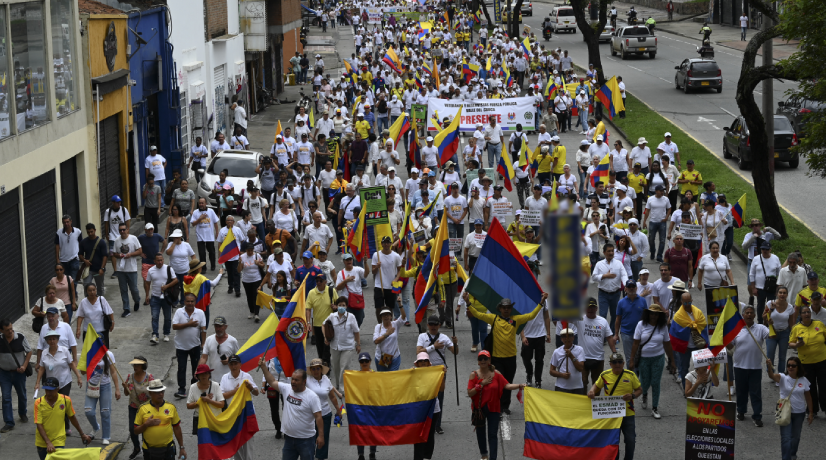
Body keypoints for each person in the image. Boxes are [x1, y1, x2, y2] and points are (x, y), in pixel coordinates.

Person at [468, 294, 548, 415]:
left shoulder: (515, 319)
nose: (506, 309)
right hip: (497, 359)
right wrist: (468, 303)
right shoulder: (493, 318)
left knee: (508, 382)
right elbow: (479, 315)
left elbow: (531, 315)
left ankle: (505, 406)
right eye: (504, 307)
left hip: (511, 358)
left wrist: (541, 302)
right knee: (498, 383)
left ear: (511, 309)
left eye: (508, 307)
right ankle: (497, 405)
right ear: (500, 308)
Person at [467, 350, 526, 460]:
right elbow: (470, 392)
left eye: (485, 358)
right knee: (480, 433)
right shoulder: (474, 375)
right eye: (481, 358)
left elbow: (507, 385)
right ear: (478, 362)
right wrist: (481, 385)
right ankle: (484, 455)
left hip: (494, 409)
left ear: (489, 360)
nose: (483, 360)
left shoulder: (497, 374)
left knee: (492, 435)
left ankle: (493, 458)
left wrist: (519, 385)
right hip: (479, 409)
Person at [259, 364, 324, 460]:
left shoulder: (312, 397)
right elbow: (272, 381)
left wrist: (321, 436)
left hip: (306, 440)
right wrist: (264, 367)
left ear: (304, 382)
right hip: (289, 439)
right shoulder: (287, 388)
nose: (293, 382)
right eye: (292, 379)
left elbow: (318, 417)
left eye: (296, 380)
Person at [588, 352, 641, 460]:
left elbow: (639, 390)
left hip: (628, 413)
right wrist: (592, 391)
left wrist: (632, 396)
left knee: (630, 440)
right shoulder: (604, 375)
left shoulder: (631, 375)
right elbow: (596, 385)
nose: (617, 364)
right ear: (610, 364)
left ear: (623, 363)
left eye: (620, 362)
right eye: (614, 362)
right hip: (611, 414)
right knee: (613, 440)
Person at [630, 304, 675, 419]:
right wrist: (631, 359)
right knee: (644, 382)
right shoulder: (641, 325)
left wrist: (672, 360)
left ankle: (655, 408)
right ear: (648, 314)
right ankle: (644, 395)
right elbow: (635, 343)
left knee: (655, 382)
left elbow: (667, 344)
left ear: (659, 315)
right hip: (644, 358)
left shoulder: (663, 326)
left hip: (658, 358)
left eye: (656, 314)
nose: (653, 316)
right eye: (651, 313)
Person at [727, 304, 770, 426]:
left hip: (755, 367)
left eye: (752, 313)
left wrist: (769, 322)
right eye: (747, 313)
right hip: (739, 366)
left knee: (755, 393)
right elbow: (731, 346)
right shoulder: (736, 329)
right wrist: (724, 340)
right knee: (741, 391)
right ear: (743, 315)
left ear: (755, 315)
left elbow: (771, 335)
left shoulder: (761, 328)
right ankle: (741, 411)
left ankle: (757, 416)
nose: (749, 315)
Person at [417, 314, 457, 434]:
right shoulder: (422, 336)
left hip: (440, 372)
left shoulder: (444, 338)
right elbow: (418, 352)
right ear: (428, 325)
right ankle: (425, 422)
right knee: (425, 397)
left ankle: (437, 424)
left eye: (435, 324)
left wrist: (455, 343)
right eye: (431, 324)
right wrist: (433, 347)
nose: (433, 327)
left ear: (439, 325)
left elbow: (455, 352)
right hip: (425, 371)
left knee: (439, 398)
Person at [766, 356, 813, 460]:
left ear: (798, 367)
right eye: (788, 365)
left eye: (793, 365)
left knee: (795, 438)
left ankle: (792, 455)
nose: (790, 367)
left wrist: (810, 412)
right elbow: (771, 376)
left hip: (799, 413)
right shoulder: (782, 377)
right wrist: (769, 367)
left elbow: (808, 397)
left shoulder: (804, 380)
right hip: (784, 412)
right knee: (786, 438)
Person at [34, 376, 92, 460]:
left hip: (59, 440)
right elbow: (39, 424)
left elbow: (72, 417)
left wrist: (82, 434)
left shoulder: (65, 400)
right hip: (42, 442)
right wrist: (48, 442)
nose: (48, 393)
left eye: (51, 390)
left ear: (58, 389)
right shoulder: (38, 403)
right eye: (46, 390)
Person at [134, 379, 187, 460]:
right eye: (157, 392)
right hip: (149, 450)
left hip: (168, 449)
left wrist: (182, 447)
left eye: (162, 391)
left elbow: (177, 428)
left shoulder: (171, 407)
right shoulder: (142, 409)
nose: (161, 394)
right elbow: (136, 431)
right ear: (150, 393)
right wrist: (146, 424)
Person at [788, 306, 826, 417]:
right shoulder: (796, 328)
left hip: (822, 360)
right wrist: (797, 345)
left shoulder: (819, 324)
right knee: (810, 387)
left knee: (824, 385)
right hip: (806, 362)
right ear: (800, 315)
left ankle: (825, 407)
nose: (806, 314)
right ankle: (813, 410)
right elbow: (790, 343)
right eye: (804, 312)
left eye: (808, 312)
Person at [172, 293, 207, 399]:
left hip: (195, 346)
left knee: (196, 368)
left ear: (195, 302)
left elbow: (203, 329)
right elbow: (174, 326)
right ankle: (181, 388)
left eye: (192, 301)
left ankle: (195, 386)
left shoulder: (200, 313)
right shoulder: (179, 312)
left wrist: (203, 343)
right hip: (181, 346)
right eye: (188, 301)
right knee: (181, 367)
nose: (190, 303)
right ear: (184, 301)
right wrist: (188, 324)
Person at [0, 319, 32, 433]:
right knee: (6, 397)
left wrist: (24, 365)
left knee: (22, 394)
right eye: (7, 330)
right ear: (1, 330)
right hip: (4, 373)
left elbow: (29, 351)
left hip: (19, 373)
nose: (10, 332)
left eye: (11, 329)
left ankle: (22, 413)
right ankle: (9, 422)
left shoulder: (21, 337)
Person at [84, 348, 120, 444]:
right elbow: (83, 372)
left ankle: (106, 436)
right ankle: (96, 427)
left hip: (105, 386)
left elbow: (113, 372)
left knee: (105, 411)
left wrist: (117, 388)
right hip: (92, 385)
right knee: (88, 411)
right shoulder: (89, 353)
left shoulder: (109, 354)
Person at [324, 297, 360, 391]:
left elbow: (356, 331)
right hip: (335, 346)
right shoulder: (332, 316)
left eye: (343, 305)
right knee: (336, 367)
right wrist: (325, 337)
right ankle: (337, 385)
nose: (341, 307)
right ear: (336, 306)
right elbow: (323, 325)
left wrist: (358, 344)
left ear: (346, 306)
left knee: (344, 366)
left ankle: (342, 388)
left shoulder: (351, 317)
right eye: (339, 305)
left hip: (348, 346)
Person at [306, 359, 340, 460]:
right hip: (311, 415)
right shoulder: (306, 380)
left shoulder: (326, 379)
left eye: (318, 368)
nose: (316, 371)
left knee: (323, 438)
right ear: (311, 370)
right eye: (313, 369)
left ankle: (321, 458)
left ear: (321, 369)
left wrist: (338, 410)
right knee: (310, 438)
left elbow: (332, 396)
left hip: (325, 414)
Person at [122, 356, 153, 459]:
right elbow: (126, 393)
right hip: (133, 407)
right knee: (132, 428)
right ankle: (136, 447)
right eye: (134, 365)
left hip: (146, 408)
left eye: (137, 365)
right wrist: (125, 387)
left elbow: (154, 392)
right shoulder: (130, 377)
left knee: (145, 430)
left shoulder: (149, 377)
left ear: (143, 365)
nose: (135, 367)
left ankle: (146, 449)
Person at [591, 243, 629, 324]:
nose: (611, 253)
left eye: (612, 251)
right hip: (603, 294)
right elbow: (593, 277)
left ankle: (612, 334)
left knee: (615, 315)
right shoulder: (599, 264)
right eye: (609, 251)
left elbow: (624, 275)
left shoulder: (618, 263)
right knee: (603, 315)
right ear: (604, 252)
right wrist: (605, 276)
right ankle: (603, 335)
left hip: (616, 294)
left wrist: (626, 285)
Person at [615, 280, 647, 372]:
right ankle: (632, 378)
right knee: (630, 358)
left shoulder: (643, 301)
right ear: (625, 289)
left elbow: (646, 317)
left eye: (633, 287)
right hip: (626, 333)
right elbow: (618, 319)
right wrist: (616, 334)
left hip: (641, 333)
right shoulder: (621, 302)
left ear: (636, 288)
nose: (631, 288)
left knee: (640, 356)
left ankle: (639, 378)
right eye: (629, 287)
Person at [412, 352, 439, 460]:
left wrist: (442, 374)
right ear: (417, 364)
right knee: (417, 434)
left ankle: (427, 457)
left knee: (429, 433)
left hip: (433, 409)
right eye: (420, 361)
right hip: (418, 409)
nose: (423, 363)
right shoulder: (412, 374)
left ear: (428, 363)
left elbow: (441, 389)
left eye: (425, 361)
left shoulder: (435, 374)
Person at [112, 222, 142, 317]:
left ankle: (137, 300)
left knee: (134, 289)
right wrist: (119, 255)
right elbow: (114, 253)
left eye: (123, 229)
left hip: (132, 268)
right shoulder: (117, 240)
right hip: (121, 269)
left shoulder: (133, 238)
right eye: (120, 230)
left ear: (127, 229)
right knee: (123, 289)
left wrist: (130, 255)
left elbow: (140, 250)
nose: (122, 231)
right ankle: (126, 308)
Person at [764, 286, 795, 378]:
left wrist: (793, 336)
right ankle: (771, 373)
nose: (782, 294)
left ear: (787, 294)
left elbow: (791, 323)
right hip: (772, 333)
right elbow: (764, 318)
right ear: (776, 294)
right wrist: (771, 310)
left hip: (784, 333)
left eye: (784, 293)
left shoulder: (790, 307)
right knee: (770, 355)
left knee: (782, 356)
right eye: (780, 292)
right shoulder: (770, 303)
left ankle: (781, 376)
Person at [185, 364, 224, 436]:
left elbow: (222, 404)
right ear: (198, 376)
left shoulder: (215, 385)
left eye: (206, 373)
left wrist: (209, 400)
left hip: (215, 419)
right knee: (203, 444)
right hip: (200, 420)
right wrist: (200, 401)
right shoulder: (193, 387)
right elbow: (188, 405)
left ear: (209, 375)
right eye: (201, 374)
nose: (204, 376)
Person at [308, 273, 338, 366]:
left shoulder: (331, 291)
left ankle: (326, 364)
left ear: (326, 282)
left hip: (329, 325)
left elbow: (339, 305)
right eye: (317, 281)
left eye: (321, 280)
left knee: (327, 346)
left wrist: (335, 307)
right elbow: (308, 309)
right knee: (320, 347)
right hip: (317, 325)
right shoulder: (311, 293)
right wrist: (308, 322)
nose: (319, 282)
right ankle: (322, 363)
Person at [749, 242, 781, 321]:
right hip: (760, 288)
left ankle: (770, 321)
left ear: (770, 250)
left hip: (771, 288)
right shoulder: (756, 259)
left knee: (772, 305)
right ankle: (760, 321)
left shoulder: (775, 258)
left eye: (767, 249)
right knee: (760, 306)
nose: (765, 251)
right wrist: (753, 288)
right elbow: (751, 274)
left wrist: (778, 288)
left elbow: (779, 274)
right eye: (763, 249)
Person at [549, 327, 586, 394]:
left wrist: (571, 356)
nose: (567, 338)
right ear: (561, 339)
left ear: (573, 338)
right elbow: (551, 371)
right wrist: (562, 375)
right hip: (561, 387)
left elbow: (581, 368)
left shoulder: (580, 349)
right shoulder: (557, 352)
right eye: (564, 337)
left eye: (569, 336)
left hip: (577, 387)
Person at [103, 195, 131, 276]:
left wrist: (127, 231)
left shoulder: (123, 210)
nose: (119, 203)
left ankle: (125, 268)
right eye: (117, 202)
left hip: (122, 234)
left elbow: (127, 220)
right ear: (113, 203)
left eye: (120, 202)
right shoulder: (108, 211)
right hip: (112, 235)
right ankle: (116, 270)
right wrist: (107, 234)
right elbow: (106, 223)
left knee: (124, 250)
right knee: (112, 253)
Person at [190, 198, 221, 271]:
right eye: (200, 203)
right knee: (202, 253)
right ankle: (203, 267)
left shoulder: (211, 211)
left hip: (209, 236)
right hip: (200, 236)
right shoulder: (195, 212)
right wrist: (200, 219)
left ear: (206, 203)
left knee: (212, 252)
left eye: (202, 203)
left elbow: (215, 222)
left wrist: (217, 232)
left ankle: (213, 265)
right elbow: (193, 224)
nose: (201, 204)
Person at [79, 223, 108, 296]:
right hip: (88, 269)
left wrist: (102, 268)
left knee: (100, 287)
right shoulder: (83, 242)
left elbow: (105, 256)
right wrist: (84, 260)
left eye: (91, 231)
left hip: (98, 269)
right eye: (88, 232)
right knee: (86, 286)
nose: (90, 233)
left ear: (95, 230)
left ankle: (100, 303)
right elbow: (80, 254)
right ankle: (88, 302)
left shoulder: (101, 242)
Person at [239, 242, 265, 322]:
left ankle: (257, 314)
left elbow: (263, 265)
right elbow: (239, 270)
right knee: (249, 296)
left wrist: (259, 264)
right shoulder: (242, 257)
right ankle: (252, 311)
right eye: (248, 250)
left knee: (256, 296)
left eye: (251, 250)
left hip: (256, 279)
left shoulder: (257, 255)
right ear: (246, 250)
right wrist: (240, 262)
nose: (250, 252)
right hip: (246, 280)